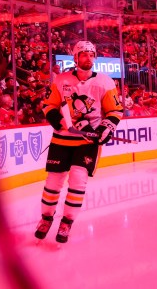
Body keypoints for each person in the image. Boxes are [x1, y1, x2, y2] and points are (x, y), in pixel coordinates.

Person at [35, 40, 123, 243]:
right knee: (53, 182)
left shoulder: (105, 82)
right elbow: (49, 106)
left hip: (87, 142)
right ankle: (46, 218)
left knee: (77, 180)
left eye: (91, 54)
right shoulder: (61, 80)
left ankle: (67, 222)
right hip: (62, 140)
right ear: (75, 58)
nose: (88, 58)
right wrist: (59, 123)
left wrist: (106, 128)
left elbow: (115, 111)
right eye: (83, 54)